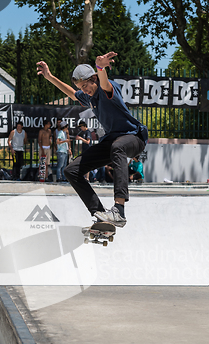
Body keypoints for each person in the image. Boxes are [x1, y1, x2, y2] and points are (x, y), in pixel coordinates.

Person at [37, 51, 147, 227]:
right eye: (82, 88)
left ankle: (119, 210)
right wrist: (49, 77)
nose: (84, 91)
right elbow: (72, 93)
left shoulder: (106, 89)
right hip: (113, 141)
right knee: (71, 170)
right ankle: (99, 213)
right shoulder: (88, 97)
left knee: (118, 147)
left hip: (134, 137)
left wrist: (100, 67)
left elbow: (104, 82)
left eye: (85, 86)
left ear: (94, 79)